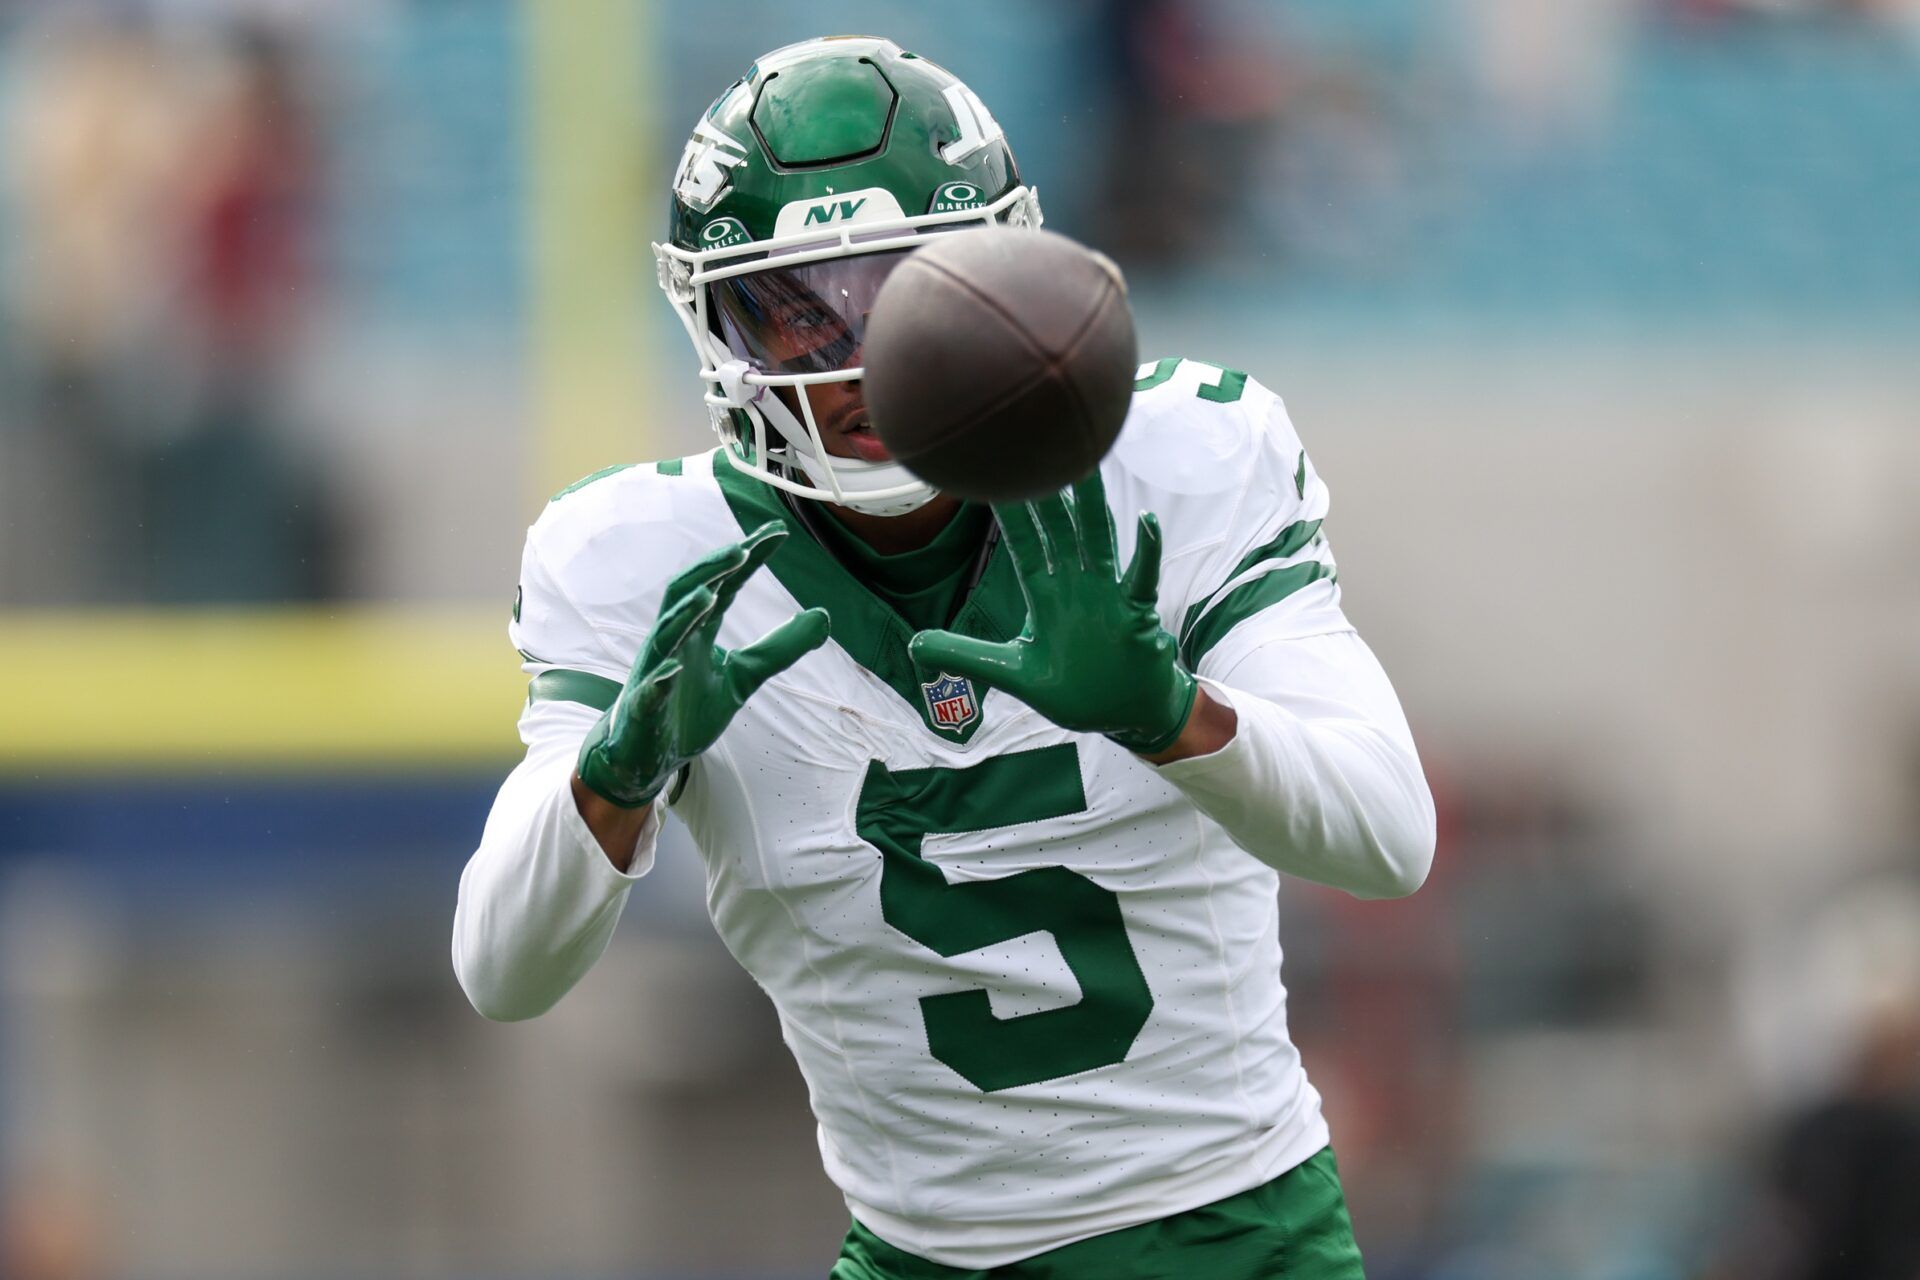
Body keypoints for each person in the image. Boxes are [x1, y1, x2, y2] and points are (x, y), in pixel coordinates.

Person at [453, 35, 1435, 1280]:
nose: (858, 358)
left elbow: (1390, 837)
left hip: (1238, 1237)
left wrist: (1169, 715)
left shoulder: (1178, 459)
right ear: (714, 320)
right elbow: (503, 969)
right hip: (928, 1257)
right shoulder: (639, 559)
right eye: (795, 310)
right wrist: (617, 771)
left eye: (907, 293)